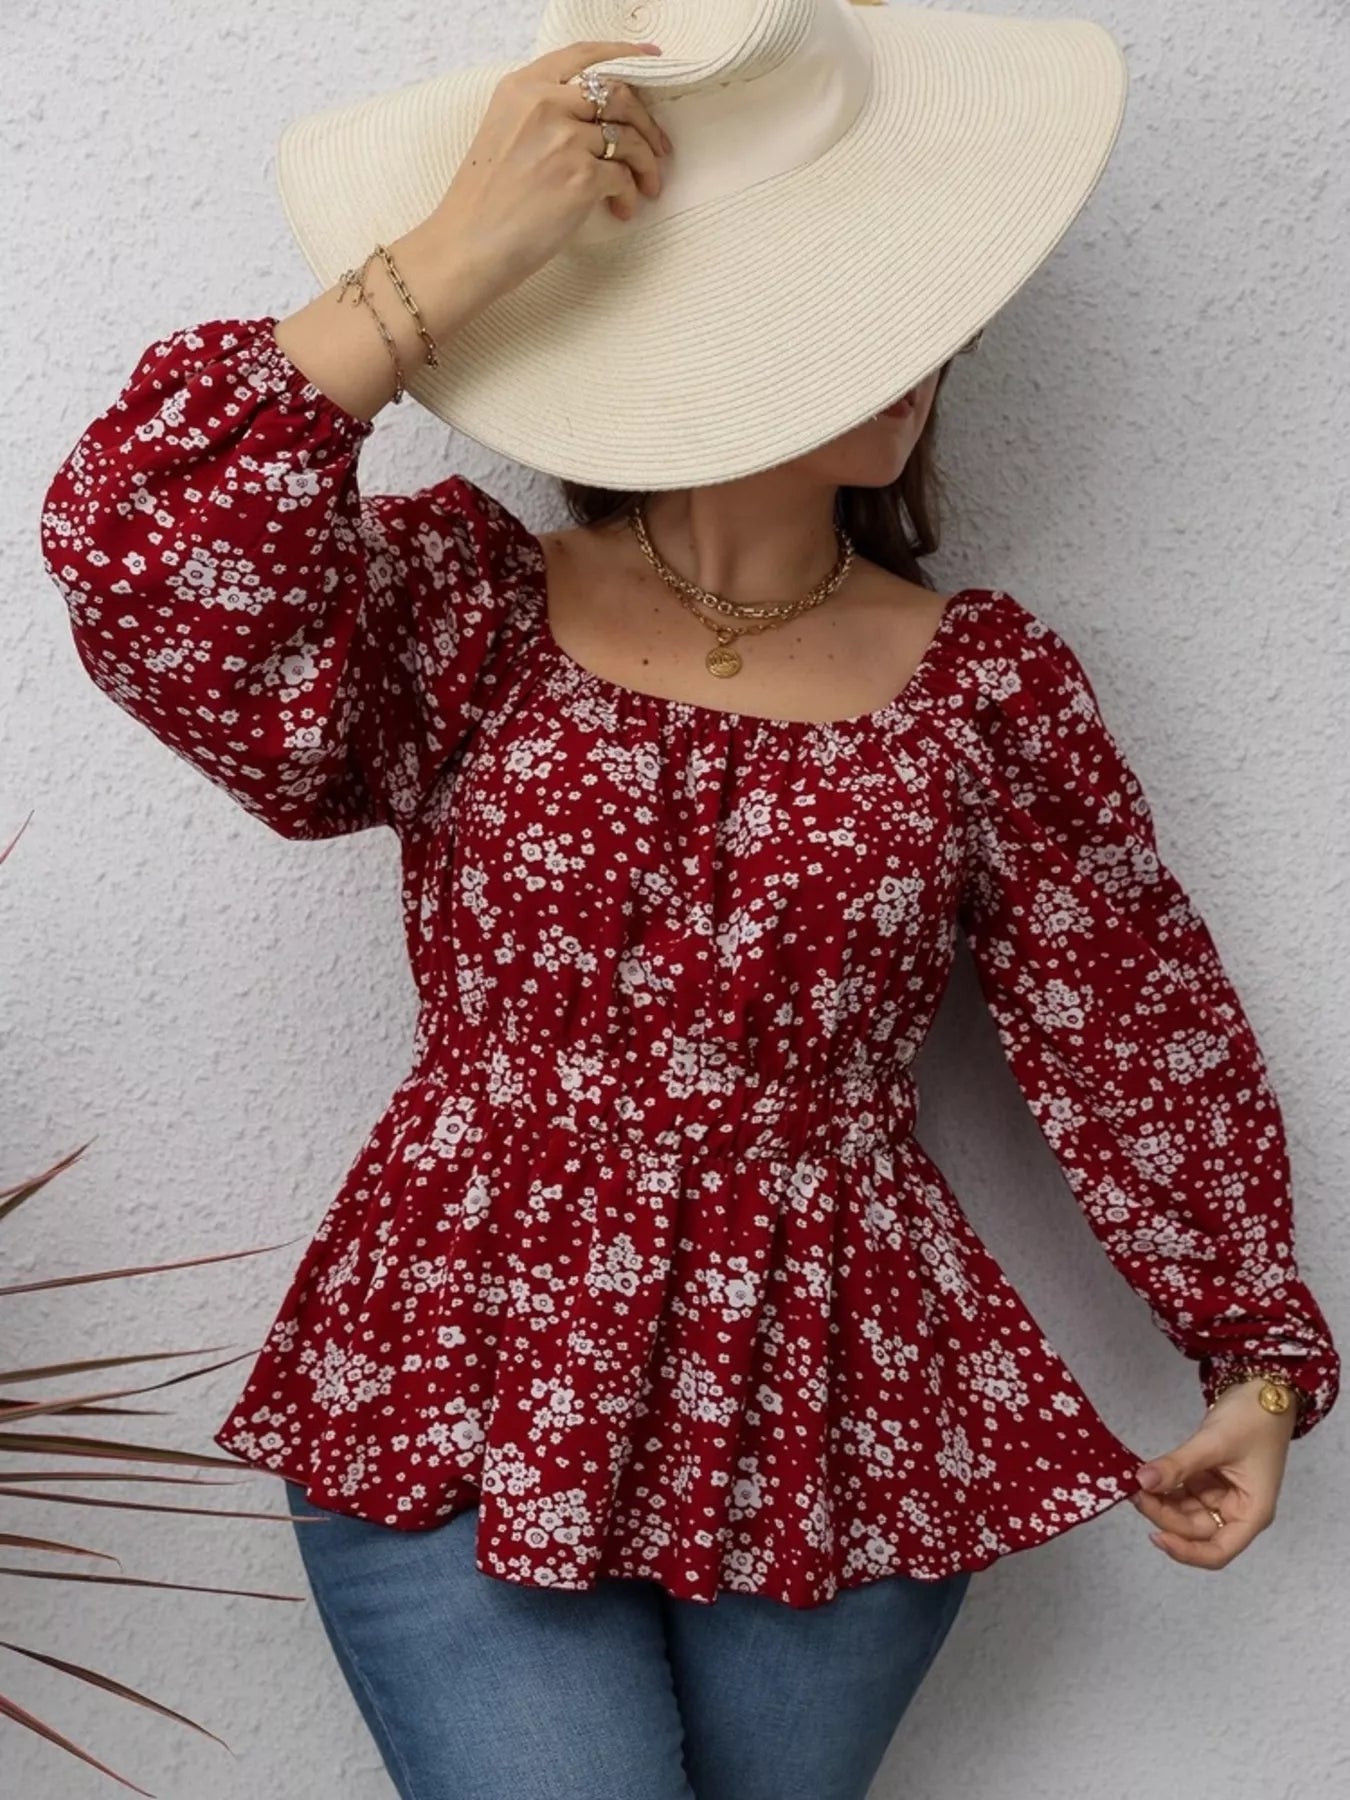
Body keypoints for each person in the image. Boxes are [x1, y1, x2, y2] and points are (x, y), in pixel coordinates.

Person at [38, 6, 1340, 1798]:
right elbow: (145, 558)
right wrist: (453, 255)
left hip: (837, 1421)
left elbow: (1131, 1024)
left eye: (912, 291)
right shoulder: (469, 610)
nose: (909, 346)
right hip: (463, 1369)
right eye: (818, 295)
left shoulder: (986, 692)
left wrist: (1256, 1366)